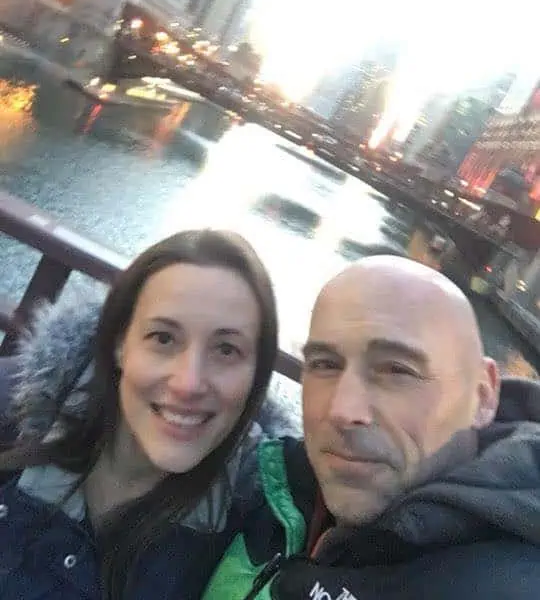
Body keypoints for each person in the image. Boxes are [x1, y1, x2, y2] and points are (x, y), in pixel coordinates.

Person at [203, 255, 540, 600]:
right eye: (325, 364)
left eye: (397, 370)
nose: (343, 410)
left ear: (482, 396)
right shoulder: (269, 487)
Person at [0, 228, 289, 600]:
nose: (188, 383)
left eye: (226, 350)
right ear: (120, 343)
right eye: (163, 338)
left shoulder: (256, 547)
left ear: (255, 378)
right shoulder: (12, 412)